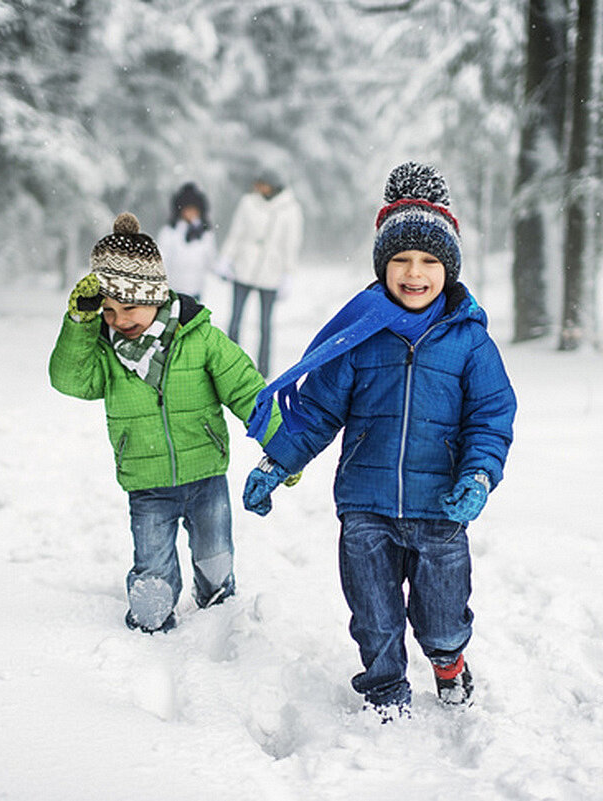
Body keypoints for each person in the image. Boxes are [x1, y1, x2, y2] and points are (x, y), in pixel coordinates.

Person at [240, 163, 516, 720]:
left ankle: (447, 662)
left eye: (430, 262)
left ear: (450, 268)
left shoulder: (470, 342)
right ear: (382, 265)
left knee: (441, 615)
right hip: (365, 506)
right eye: (401, 261)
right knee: (373, 614)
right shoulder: (361, 334)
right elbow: (317, 409)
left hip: (441, 509)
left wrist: (479, 475)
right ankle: (386, 690)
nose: (415, 274)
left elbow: (491, 418)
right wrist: (278, 461)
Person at [49, 212, 278, 634]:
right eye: (108, 312)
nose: (119, 321)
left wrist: (285, 446)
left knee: (215, 557)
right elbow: (68, 380)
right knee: (152, 568)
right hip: (147, 482)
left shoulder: (200, 338)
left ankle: (219, 614)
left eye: (129, 308)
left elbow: (248, 390)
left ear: (155, 295)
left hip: (206, 477)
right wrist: (81, 324)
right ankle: (152, 614)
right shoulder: (105, 353)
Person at [218, 168, 304, 377]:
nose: (258, 188)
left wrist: (288, 275)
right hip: (244, 268)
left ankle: (263, 369)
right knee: (235, 318)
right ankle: (229, 365)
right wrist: (226, 257)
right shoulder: (248, 203)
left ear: (273, 185)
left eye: (262, 184)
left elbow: (291, 244)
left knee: (265, 324)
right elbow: (236, 232)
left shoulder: (290, 209)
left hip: (271, 272)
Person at [156, 182, 218, 302]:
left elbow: (211, 259)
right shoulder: (170, 231)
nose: (191, 213)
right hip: (174, 288)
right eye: (187, 209)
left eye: (194, 210)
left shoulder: (205, 233)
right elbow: (162, 258)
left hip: (196, 288)